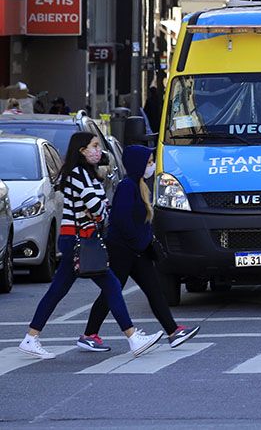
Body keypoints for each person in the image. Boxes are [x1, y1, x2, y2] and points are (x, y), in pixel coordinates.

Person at [19, 132, 163, 360]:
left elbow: (101, 206)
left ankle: (31, 337)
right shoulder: (78, 174)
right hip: (80, 240)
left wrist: (99, 207)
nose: (99, 151)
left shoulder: (86, 174)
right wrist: (99, 207)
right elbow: (99, 207)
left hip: (77, 239)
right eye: (94, 146)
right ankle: (133, 338)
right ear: (81, 151)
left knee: (59, 290)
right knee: (111, 286)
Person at [79, 145, 200, 352]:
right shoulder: (128, 186)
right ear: (138, 164)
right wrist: (137, 242)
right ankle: (89, 334)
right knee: (112, 291)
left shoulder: (138, 185)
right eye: (149, 162)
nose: (152, 165)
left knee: (154, 291)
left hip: (136, 251)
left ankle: (173, 331)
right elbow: (121, 220)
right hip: (124, 251)